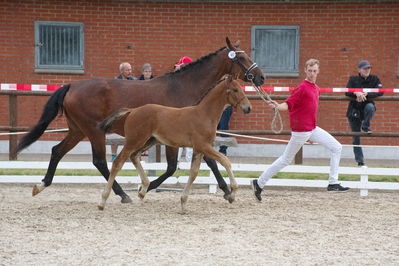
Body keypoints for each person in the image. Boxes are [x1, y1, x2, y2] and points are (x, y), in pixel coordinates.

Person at [251, 59, 349, 201]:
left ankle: (333, 182)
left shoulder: (315, 88)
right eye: (310, 71)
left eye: (314, 71)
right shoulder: (302, 87)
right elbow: (289, 104)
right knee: (285, 160)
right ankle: (259, 183)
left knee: (336, 147)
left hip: (311, 129)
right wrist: (278, 106)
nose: (312, 73)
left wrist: (311, 135)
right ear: (305, 70)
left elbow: (310, 110)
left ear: (318, 71)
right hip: (301, 131)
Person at [345, 60, 383, 166]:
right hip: (354, 110)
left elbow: (381, 91)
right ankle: (360, 161)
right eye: (365, 68)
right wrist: (356, 93)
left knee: (371, 107)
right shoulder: (353, 79)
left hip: (367, 107)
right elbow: (347, 91)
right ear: (359, 70)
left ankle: (366, 126)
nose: (367, 70)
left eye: (369, 68)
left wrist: (367, 93)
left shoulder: (374, 78)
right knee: (356, 136)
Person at [111, 62, 137, 161]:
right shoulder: (115, 81)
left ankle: (128, 154)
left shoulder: (135, 81)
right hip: (118, 109)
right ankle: (114, 156)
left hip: (131, 110)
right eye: (127, 70)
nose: (130, 72)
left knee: (130, 134)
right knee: (116, 134)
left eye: (130, 69)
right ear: (121, 71)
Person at [174, 56, 194, 163]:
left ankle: (188, 161)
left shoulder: (189, 80)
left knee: (188, 137)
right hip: (180, 111)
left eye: (180, 66)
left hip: (186, 112)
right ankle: (177, 161)